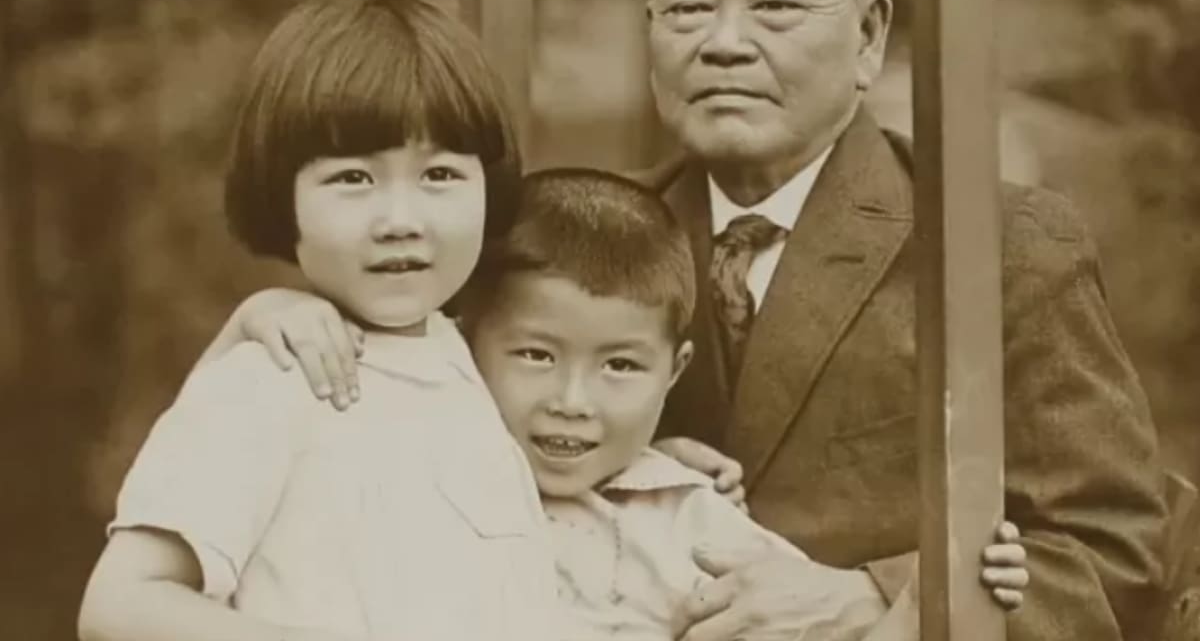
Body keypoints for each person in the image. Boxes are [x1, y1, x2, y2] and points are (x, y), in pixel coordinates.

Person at [201, 0, 1171, 641]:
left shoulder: (996, 244)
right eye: (690, 5)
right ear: (652, 27)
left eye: (777, 6)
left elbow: (1116, 548)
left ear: (870, 36)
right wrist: (283, 310)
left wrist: (885, 595)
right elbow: (403, 368)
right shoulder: (570, 237)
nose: (725, 41)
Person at [208, 166, 1034, 640]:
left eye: (619, 368)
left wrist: (943, 590)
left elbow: (824, 626)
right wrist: (264, 313)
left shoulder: (684, 516)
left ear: (673, 373)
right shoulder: (410, 462)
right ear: (462, 339)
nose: (572, 403)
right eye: (534, 356)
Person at [77, 0, 556, 641]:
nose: (401, 221)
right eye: (354, 179)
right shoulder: (275, 377)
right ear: (283, 198)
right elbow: (120, 606)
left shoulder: (471, 361)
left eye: (439, 174)